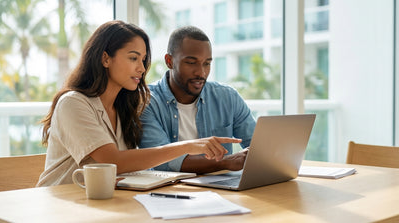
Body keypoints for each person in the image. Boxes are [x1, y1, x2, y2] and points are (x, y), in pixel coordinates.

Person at [37, 21, 241, 186]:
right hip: (60, 206)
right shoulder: (73, 104)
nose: (142, 69)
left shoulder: (127, 107)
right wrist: (188, 146)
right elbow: (113, 161)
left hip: (105, 206)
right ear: (105, 59)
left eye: (143, 60)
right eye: (133, 58)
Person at [139, 26, 256, 174]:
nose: (201, 72)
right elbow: (160, 162)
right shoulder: (146, 102)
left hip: (224, 189)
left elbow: (257, 145)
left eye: (207, 63)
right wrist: (226, 162)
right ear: (169, 61)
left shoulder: (227, 97)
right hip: (172, 192)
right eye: (191, 62)